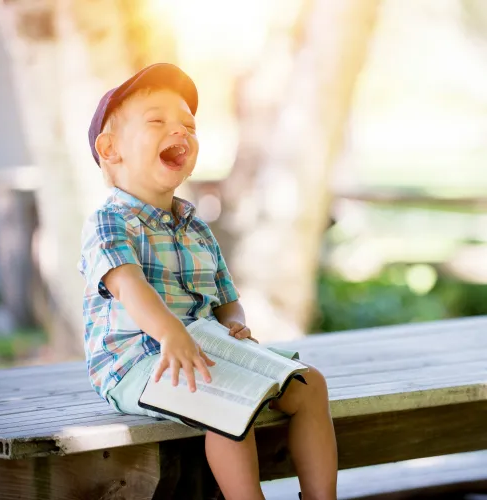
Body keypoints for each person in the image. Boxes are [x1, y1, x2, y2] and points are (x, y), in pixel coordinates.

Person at [78, 63, 338, 500]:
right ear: (111, 149)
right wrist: (171, 333)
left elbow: (225, 298)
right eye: (158, 121)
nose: (179, 131)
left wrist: (234, 322)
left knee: (309, 384)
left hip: (204, 346)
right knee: (227, 402)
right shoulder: (109, 222)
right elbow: (129, 285)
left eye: (188, 125)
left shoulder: (194, 224)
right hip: (137, 362)